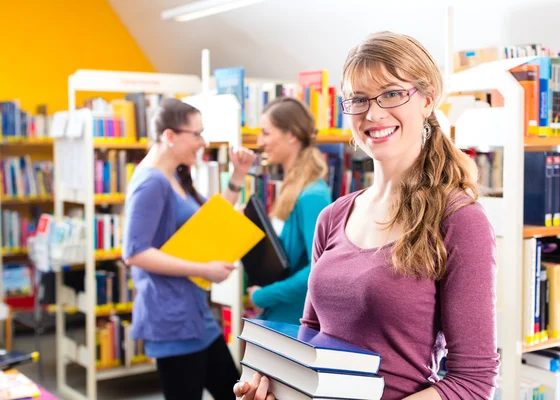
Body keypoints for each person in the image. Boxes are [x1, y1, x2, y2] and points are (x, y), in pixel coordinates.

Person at [234, 32, 499, 400]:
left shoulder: (458, 219)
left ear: (427, 99)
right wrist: (275, 388)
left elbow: (473, 382)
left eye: (391, 93)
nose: (373, 113)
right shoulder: (332, 216)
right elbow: (310, 335)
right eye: (358, 100)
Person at [122, 98, 257, 400]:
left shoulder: (174, 177)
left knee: (233, 392)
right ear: (170, 136)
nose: (203, 142)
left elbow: (210, 224)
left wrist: (238, 175)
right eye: (196, 134)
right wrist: (203, 270)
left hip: (193, 314)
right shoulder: (151, 183)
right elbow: (134, 252)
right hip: (172, 320)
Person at [245, 97, 332, 325]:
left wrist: (263, 296)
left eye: (266, 133)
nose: (259, 142)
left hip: (294, 322)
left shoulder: (313, 194)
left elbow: (319, 267)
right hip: (279, 315)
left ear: (291, 135)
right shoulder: (291, 186)